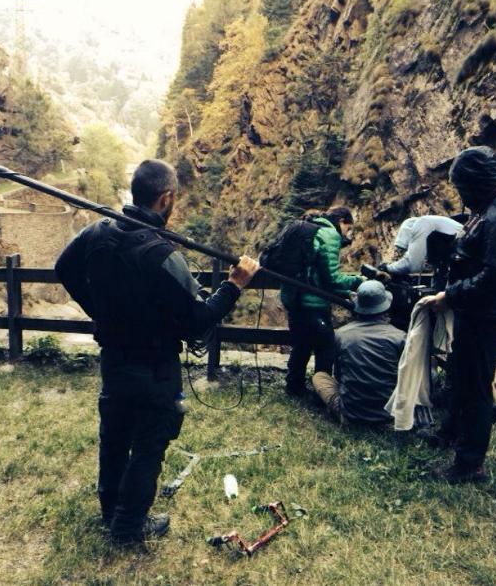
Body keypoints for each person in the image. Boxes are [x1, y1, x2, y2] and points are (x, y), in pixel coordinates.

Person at [55, 159, 259, 544]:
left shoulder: (97, 232)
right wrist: (234, 284)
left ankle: (111, 512)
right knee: (149, 445)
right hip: (155, 366)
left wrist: (99, 310)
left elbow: (63, 268)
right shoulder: (163, 256)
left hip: (114, 359)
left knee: (115, 437)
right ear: (166, 199)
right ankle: (128, 527)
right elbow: (199, 321)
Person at [421, 146, 496, 483]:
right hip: (476, 311)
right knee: (460, 373)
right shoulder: (495, 204)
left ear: (475, 181)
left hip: (486, 315)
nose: (462, 195)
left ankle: (469, 464)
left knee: (476, 388)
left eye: (462, 187)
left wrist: (450, 296)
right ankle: (450, 433)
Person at [382, 213, 496, 423]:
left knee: (463, 350)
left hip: (459, 294)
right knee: (463, 351)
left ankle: (494, 407)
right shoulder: (441, 226)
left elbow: (413, 263)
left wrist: (387, 268)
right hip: (465, 290)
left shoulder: (422, 225)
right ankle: (490, 404)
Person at [282, 206, 363, 396]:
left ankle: (294, 387)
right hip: (313, 303)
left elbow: (317, 275)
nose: (347, 234)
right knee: (326, 347)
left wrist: (345, 291)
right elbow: (332, 279)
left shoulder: (311, 229)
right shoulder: (330, 235)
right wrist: (358, 281)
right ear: (341, 221)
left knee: (301, 345)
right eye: (348, 228)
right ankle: (323, 393)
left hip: (293, 298)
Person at [311, 280, 406, 424]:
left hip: (350, 414)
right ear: (385, 307)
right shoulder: (400, 337)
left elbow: (339, 374)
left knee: (319, 376)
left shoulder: (341, 334)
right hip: (390, 415)